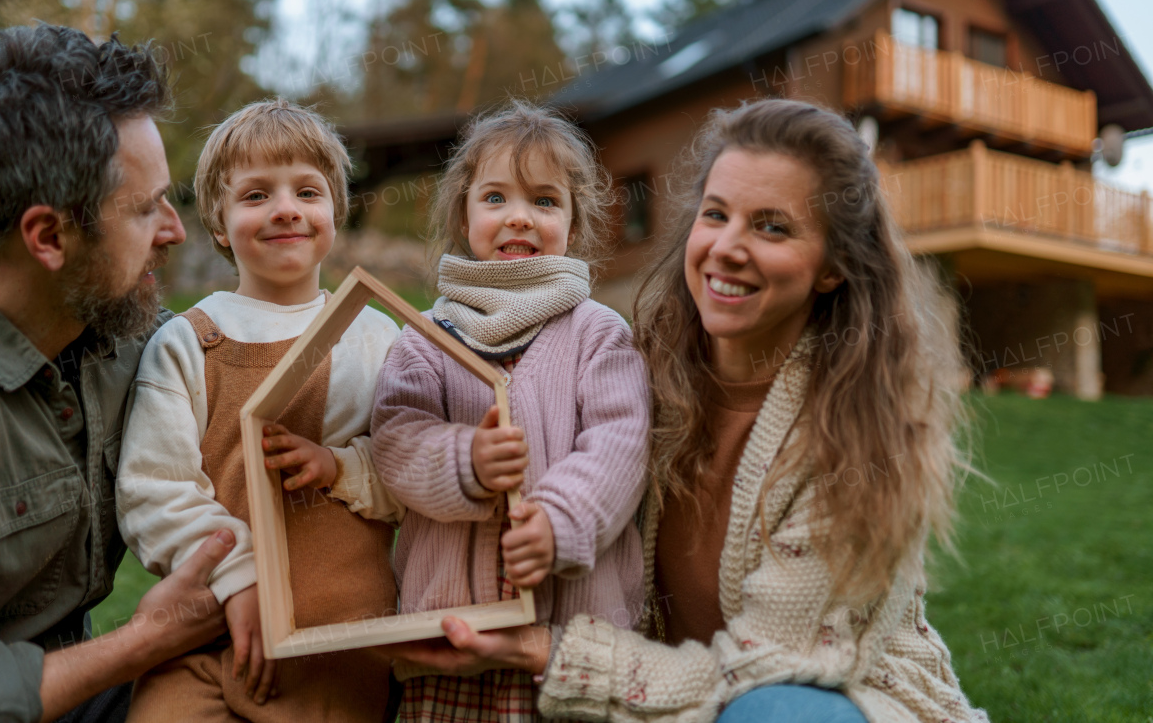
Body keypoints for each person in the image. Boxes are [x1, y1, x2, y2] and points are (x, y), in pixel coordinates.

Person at [385, 99, 989, 723]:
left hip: (817, 696)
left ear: (834, 266)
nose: (728, 247)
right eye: (716, 214)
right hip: (656, 698)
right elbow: (395, 437)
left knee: (774, 714)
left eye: (772, 227)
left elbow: (761, 667)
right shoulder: (648, 366)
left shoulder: (856, 438)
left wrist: (548, 649)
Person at [0, 24, 237, 723]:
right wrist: (143, 642)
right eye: (144, 208)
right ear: (48, 237)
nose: (174, 229)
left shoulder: (131, 337)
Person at [116, 98, 403, 723]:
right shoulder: (188, 341)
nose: (285, 209)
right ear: (218, 223)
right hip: (207, 635)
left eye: (307, 190)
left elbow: (415, 467)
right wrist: (237, 575)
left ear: (336, 210)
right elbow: (153, 486)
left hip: (343, 645)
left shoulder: (379, 338)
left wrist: (341, 466)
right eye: (254, 195)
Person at [370, 102, 651, 722]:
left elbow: (620, 446)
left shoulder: (599, 333)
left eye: (545, 201)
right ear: (461, 215)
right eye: (495, 198)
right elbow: (396, 438)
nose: (519, 217)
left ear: (574, 225)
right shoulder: (426, 337)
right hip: (449, 636)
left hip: (570, 641)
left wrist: (559, 521)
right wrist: (464, 460)